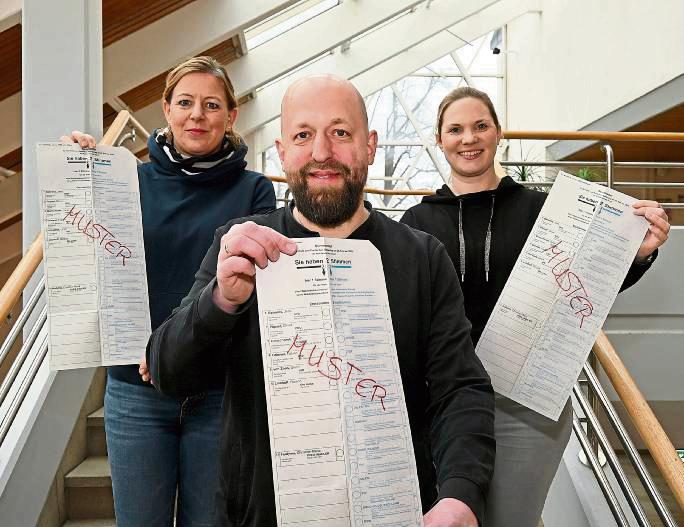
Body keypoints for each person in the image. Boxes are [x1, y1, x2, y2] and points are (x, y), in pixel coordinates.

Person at [147, 74, 496, 527]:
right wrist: (221, 301)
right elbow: (168, 371)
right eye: (303, 135)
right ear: (282, 151)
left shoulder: (422, 257)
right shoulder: (238, 248)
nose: (321, 153)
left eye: (340, 133)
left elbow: (459, 388)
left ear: (370, 146)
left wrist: (459, 495)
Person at [400, 86, 670, 527]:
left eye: (480, 126)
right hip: (442, 404)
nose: (468, 138)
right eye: (456, 129)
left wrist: (638, 253)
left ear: (498, 134)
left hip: (525, 406)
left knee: (512, 519)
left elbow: (587, 287)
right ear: (439, 139)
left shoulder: (544, 211)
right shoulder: (415, 223)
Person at [62, 56, 276, 526]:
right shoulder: (126, 181)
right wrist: (78, 170)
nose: (197, 114)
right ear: (166, 109)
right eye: (185, 102)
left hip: (217, 395)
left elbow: (246, 290)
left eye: (211, 104)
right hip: (135, 392)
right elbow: (88, 252)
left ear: (231, 116)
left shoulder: (256, 191)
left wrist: (170, 349)